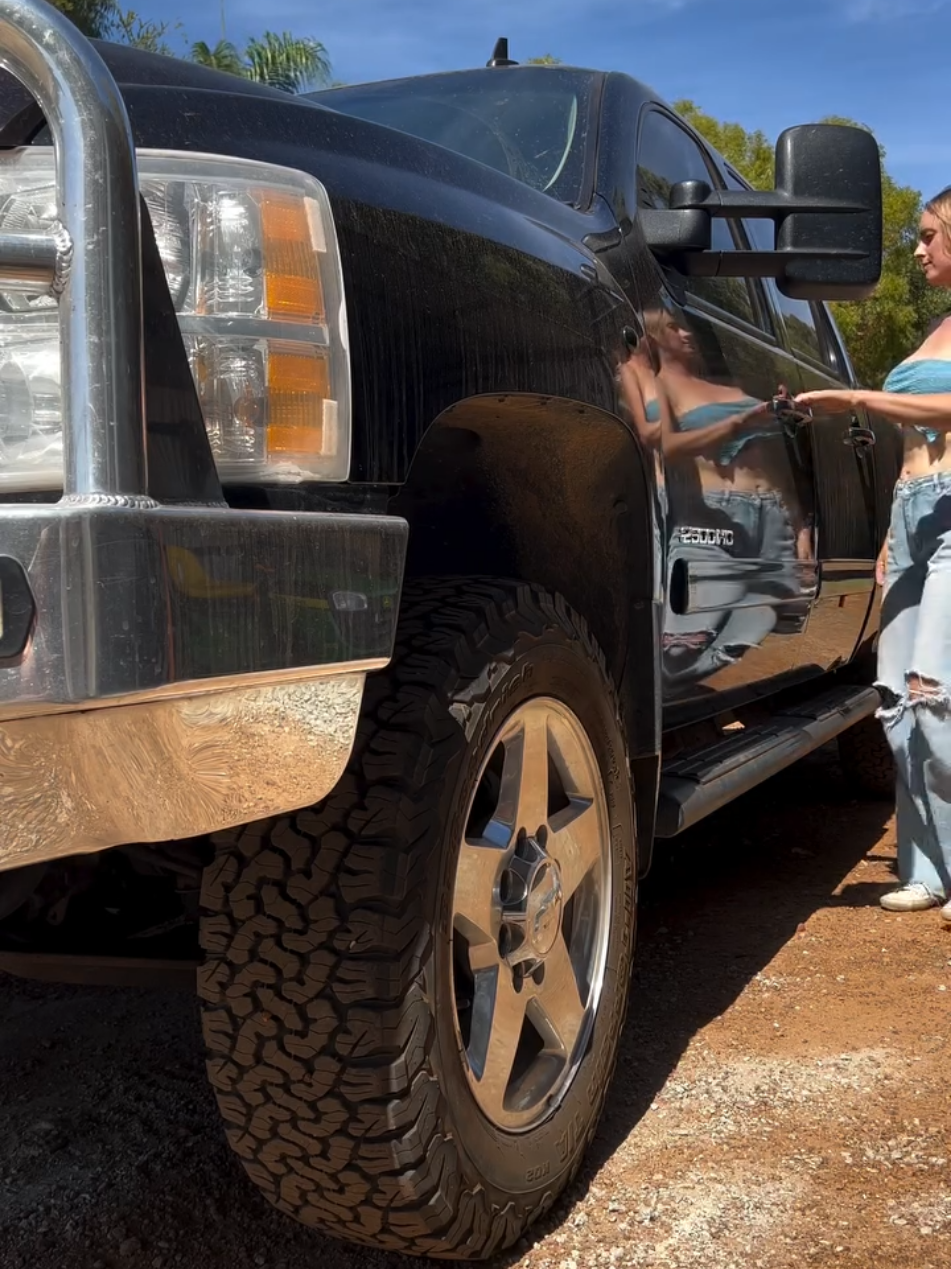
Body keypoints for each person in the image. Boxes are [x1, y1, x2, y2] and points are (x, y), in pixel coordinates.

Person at [796, 187, 951, 919]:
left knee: (935, 694)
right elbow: (906, 441)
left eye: (928, 236)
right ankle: (927, 865)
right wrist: (891, 527)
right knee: (891, 699)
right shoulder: (936, 328)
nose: (917, 249)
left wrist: (854, 397)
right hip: (913, 516)